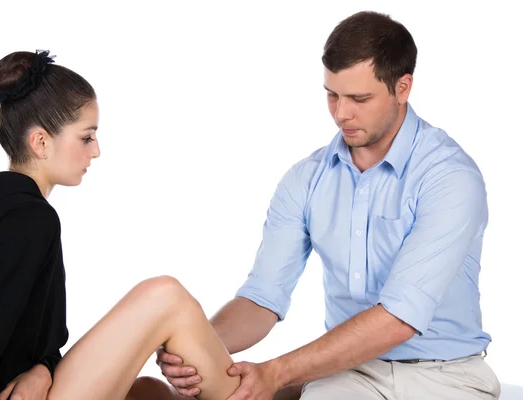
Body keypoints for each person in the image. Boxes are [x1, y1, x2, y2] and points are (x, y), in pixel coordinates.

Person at [156, 10, 501, 400]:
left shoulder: (450, 177)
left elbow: (399, 319)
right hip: (351, 375)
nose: (341, 113)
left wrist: (276, 372)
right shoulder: (306, 178)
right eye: (332, 94)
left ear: (403, 87)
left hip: (447, 375)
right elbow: (262, 299)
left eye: (359, 98)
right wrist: (199, 348)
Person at [0, 50, 239, 400]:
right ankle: (249, 394)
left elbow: (25, 331)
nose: (97, 150)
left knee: (151, 393)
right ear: (41, 142)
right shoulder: (28, 219)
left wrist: (43, 369)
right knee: (165, 296)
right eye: (86, 137)